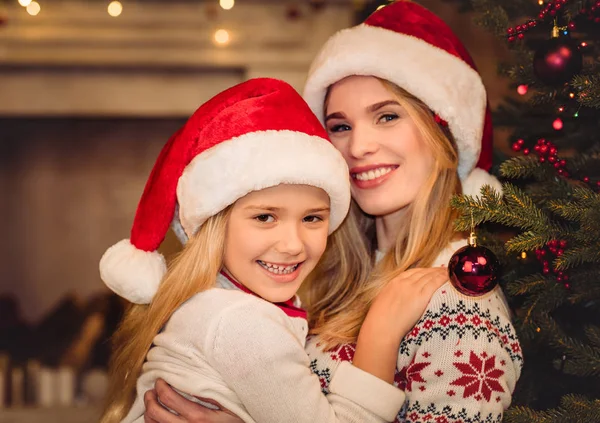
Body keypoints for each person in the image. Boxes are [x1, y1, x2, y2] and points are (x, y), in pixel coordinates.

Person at [143, 2, 523, 423]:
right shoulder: (318, 277)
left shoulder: (457, 298)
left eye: (387, 116)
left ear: (444, 134)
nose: (358, 147)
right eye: (340, 126)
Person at [99, 78, 448, 423]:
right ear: (214, 227)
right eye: (265, 217)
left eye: (312, 218)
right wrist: (381, 332)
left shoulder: (219, 303)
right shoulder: (242, 322)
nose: (293, 244)